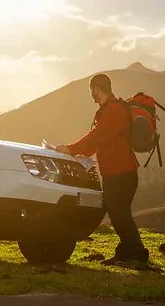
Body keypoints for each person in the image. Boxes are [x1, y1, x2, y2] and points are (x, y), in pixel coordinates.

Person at [46, 73, 149, 265]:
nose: (91, 94)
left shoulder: (114, 110)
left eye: (91, 90)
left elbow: (96, 136)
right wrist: (75, 153)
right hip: (117, 172)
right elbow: (97, 142)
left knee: (118, 212)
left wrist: (70, 148)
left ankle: (137, 252)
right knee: (120, 212)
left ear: (96, 89)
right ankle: (127, 251)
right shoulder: (109, 109)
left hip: (121, 172)